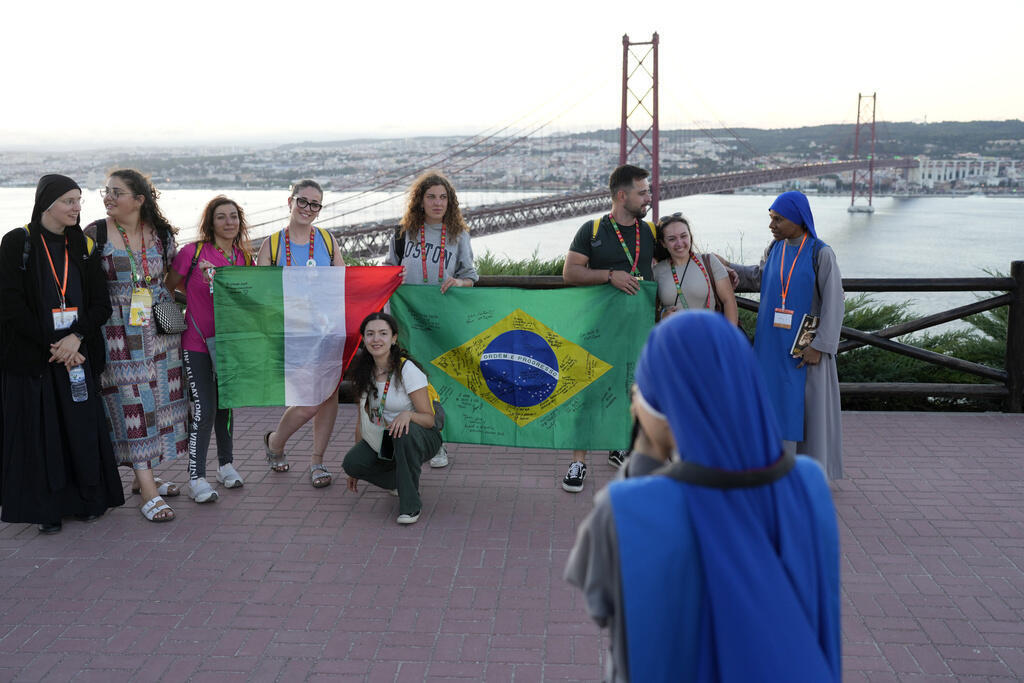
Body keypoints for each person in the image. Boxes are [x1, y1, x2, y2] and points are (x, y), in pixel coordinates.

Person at [564, 312, 841, 682]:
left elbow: (600, 604)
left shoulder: (626, 510)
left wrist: (646, 450)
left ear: (658, 406)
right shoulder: (810, 485)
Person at [0, 175, 124, 533]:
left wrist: (76, 337)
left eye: (79, 200)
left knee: (80, 431)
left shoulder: (82, 244)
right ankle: (47, 510)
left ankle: (86, 501)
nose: (77, 208)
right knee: (39, 436)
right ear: (47, 203)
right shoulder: (17, 242)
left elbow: (101, 304)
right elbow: (9, 304)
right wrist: (54, 345)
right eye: (70, 201)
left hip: (77, 355)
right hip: (34, 359)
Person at [84, 169, 188, 522]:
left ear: (139, 199)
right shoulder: (94, 234)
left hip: (158, 331)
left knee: (159, 404)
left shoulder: (160, 234)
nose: (108, 197)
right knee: (131, 405)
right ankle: (147, 491)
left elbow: (171, 277)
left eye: (116, 192)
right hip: (116, 335)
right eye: (106, 191)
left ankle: (146, 476)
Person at [719, 191, 844, 479]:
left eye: (778, 219)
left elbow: (835, 303)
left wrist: (821, 346)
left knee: (805, 410)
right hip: (771, 346)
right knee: (770, 404)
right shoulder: (774, 248)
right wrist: (724, 267)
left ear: (798, 220)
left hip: (804, 349)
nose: (772, 225)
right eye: (771, 218)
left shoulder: (820, 253)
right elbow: (757, 277)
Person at [560, 164, 656, 492]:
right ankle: (578, 462)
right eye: (642, 192)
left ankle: (620, 447)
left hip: (638, 331)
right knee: (589, 393)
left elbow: (678, 259)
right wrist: (608, 275)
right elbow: (570, 273)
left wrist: (721, 268)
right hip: (598, 330)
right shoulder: (593, 229)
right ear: (621, 195)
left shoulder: (651, 232)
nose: (648, 198)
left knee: (632, 392)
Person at [384, 171, 478, 469]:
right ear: (420, 201)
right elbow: (387, 271)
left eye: (443, 197)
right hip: (407, 319)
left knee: (440, 381)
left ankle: (437, 442)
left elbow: (471, 275)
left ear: (450, 202)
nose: (438, 202)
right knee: (410, 380)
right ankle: (405, 442)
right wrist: (392, 276)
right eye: (431, 197)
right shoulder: (402, 233)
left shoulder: (458, 234)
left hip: (442, 320)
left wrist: (459, 283)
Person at [257, 179, 346, 488]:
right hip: (292, 335)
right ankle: (276, 442)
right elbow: (263, 295)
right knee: (309, 400)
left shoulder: (328, 240)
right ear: (290, 201)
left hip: (327, 332)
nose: (308, 208)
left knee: (328, 394)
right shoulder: (271, 244)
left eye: (315, 204)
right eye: (303, 201)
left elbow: (342, 285)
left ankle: (317, 461)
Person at [167, 196, 254, 503]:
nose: (229, 222)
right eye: (222, 217)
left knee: (225, 406)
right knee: (204, 410)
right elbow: (170, 286)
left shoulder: (244, 256)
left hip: (230, 344)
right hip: (198, 343)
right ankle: (196, 477)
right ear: (211, 222)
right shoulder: (192, 253)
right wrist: (195, 295)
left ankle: (226, 464)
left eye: (234, 216)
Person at [342, 312, 442, 525]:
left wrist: (408, 414)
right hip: (387, 437)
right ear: (364, 339)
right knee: (351, 462)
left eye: (383, 333)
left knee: (404, 432)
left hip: (420, 435)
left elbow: (429, 420)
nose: (376, 339)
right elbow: (362, 420)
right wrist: (357, 469)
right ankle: (402, 479)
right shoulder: (363, 372)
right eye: (370, 334)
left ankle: (411, 505)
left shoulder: (407, 369)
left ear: (394, 338)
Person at [652, 213, 738, 325]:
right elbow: (650, 311)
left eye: (683, 236)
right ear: (663, 243)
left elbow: (729, 302)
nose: (679, 243)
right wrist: (663, 315)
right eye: (672, 239)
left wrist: (728, 339)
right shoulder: (657, 271)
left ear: (690, 236)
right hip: (674, 339)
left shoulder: (710, 262)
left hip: (709, 336)